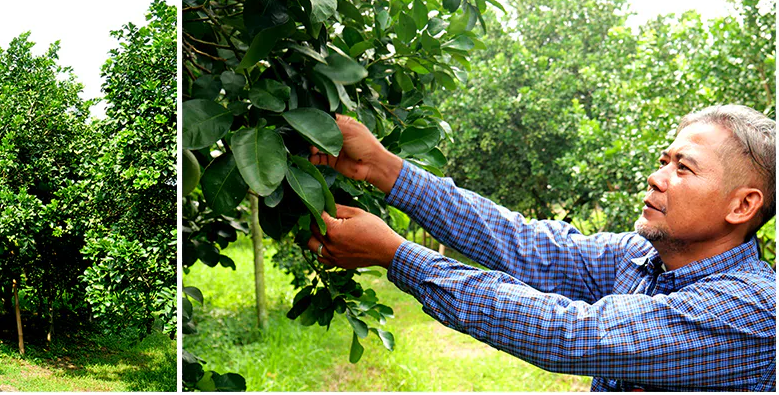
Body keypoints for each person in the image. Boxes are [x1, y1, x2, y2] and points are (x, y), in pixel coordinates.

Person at [306, 105, 776, 391]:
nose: (656, 177)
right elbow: (522, 243)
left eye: (684, 169)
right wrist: (384, 169)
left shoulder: (752, 307)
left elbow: (569, 332)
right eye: (662, 161)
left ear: (743, 205)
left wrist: (396, 254)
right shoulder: (639, 258)